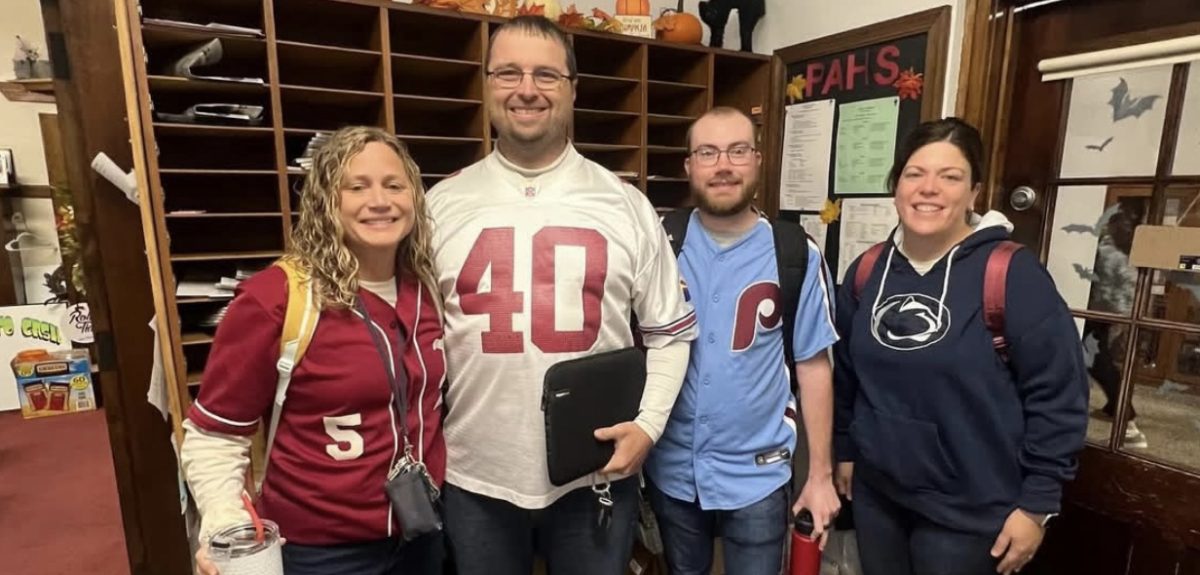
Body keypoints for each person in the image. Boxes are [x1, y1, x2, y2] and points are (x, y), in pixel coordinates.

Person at [426, 15, 697, 575]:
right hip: (475, 475)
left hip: (594, 471)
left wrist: (647, 427)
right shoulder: (440, 204)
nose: (527, 89)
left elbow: (671, 332)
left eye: (547, 75)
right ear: (487, 83)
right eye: (509, 72)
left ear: (573, 89)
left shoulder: (625, 205)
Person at [180, 126, 446, 574]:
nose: (380, 201)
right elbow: (216, 434)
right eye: (356, 187)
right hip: (322, 551)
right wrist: (223, 524)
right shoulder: (277, 298)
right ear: (327, 201)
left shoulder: (427, 287)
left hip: (423, 532)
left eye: (394, 185)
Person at [832, 118, 1089, 575]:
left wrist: (1036, 505)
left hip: (972, 511)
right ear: (896, 186)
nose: (928, 188)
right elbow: (849, 375)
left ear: (974, 193)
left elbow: (1059, 396)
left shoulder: (1012, 275)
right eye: (915, 174)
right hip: (880, 498)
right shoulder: (868, 270)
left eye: (950, 177)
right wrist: (847, 449)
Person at [644, 107, 841, 574]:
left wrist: (819, 475)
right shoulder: (659, 243)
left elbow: (814, 367)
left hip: (760, 470)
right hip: (671, 467)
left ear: (758, 161)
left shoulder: (794, 253)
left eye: (738, 150)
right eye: (708, 152)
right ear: (689, 165)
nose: (724, 165)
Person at [1082, 198, 1147, 448]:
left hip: (1099, 311)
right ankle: (1115, 406)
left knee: (1097, 361)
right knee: (1100, 358)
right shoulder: (1123, 249)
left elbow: (1109, 288)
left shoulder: (1108, 250)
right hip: (1109, 311)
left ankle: (1127, 420)